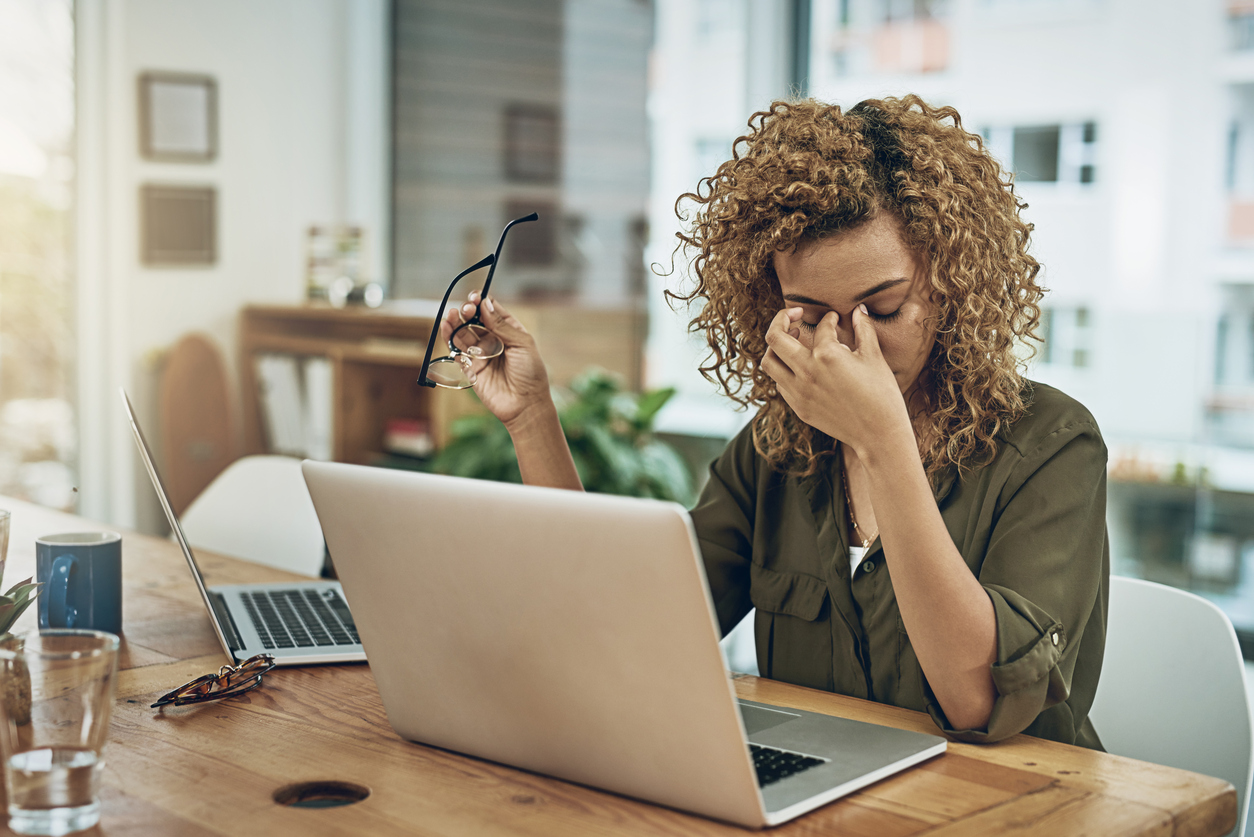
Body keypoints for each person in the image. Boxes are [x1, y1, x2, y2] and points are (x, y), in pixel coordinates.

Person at [440, 95, 1108, 748]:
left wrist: (882, 442)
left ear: (949, 281)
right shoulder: (779, 448)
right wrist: (532, 418)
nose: (848, 346)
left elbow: (976, 702)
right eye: (811, 315)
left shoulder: (1052, 444)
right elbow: (616, 632)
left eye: (884, 308)